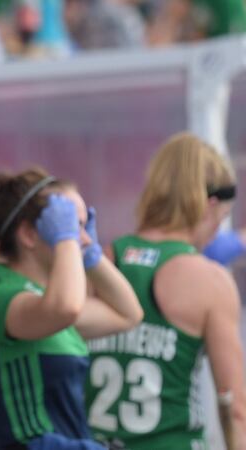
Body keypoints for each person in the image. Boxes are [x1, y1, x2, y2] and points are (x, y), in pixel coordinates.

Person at [84, 132, 246, 449]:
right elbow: (235, 405)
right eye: (222, 219)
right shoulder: (210, 281)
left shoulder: (99, 261)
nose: (216, 233)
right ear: (208, 205)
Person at [0, 168, 142, 449]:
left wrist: (91, 255)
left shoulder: (46, 303)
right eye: (72, 226)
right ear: (28, 234)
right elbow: (66, 308)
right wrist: (67, 242)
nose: (82, 239)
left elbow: (128, 314)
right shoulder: (2, 299)